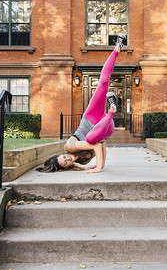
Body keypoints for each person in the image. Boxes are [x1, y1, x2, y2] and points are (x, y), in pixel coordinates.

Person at [37, 33, 125, 174]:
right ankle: (112, 109)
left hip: (91, 118)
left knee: (103, 83)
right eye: (66, 163)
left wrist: (98, 167)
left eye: (64, 157)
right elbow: (101, 145)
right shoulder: (82, 161)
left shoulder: (70, 146)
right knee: (96, 139)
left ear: (62, 153)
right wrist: (100, 165)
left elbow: (95, 147)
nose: (68, 159)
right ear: (67, 167)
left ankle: (117, 48)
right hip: (105, 127)